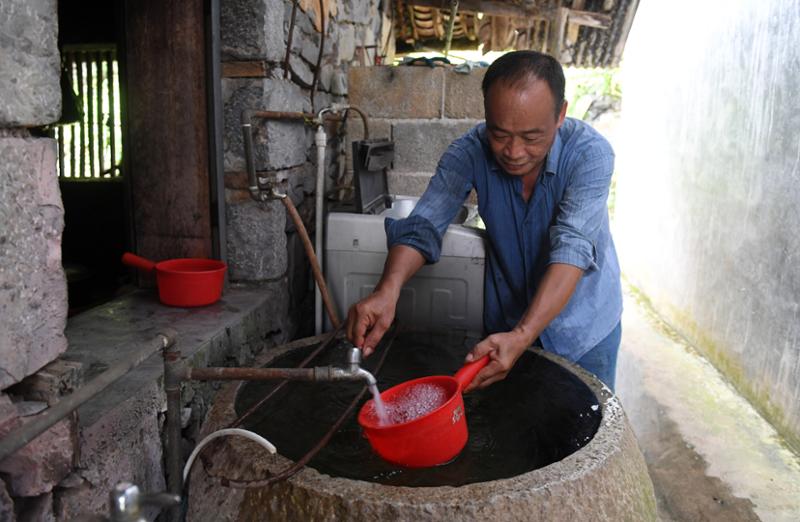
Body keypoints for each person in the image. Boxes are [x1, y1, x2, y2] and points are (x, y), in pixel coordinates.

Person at [346, 50, 622, 392]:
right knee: (514, 415)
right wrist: (387, 291)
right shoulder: (468, 151)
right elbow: (425, 223)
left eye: (531, 137)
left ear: (561, 114)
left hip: (584, 329)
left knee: (587, 419)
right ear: (486, 114)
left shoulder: (590, 155)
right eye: (499, 134)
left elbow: (572, 245)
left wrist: (523, 334)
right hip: (506, 322)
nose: (514, 152)